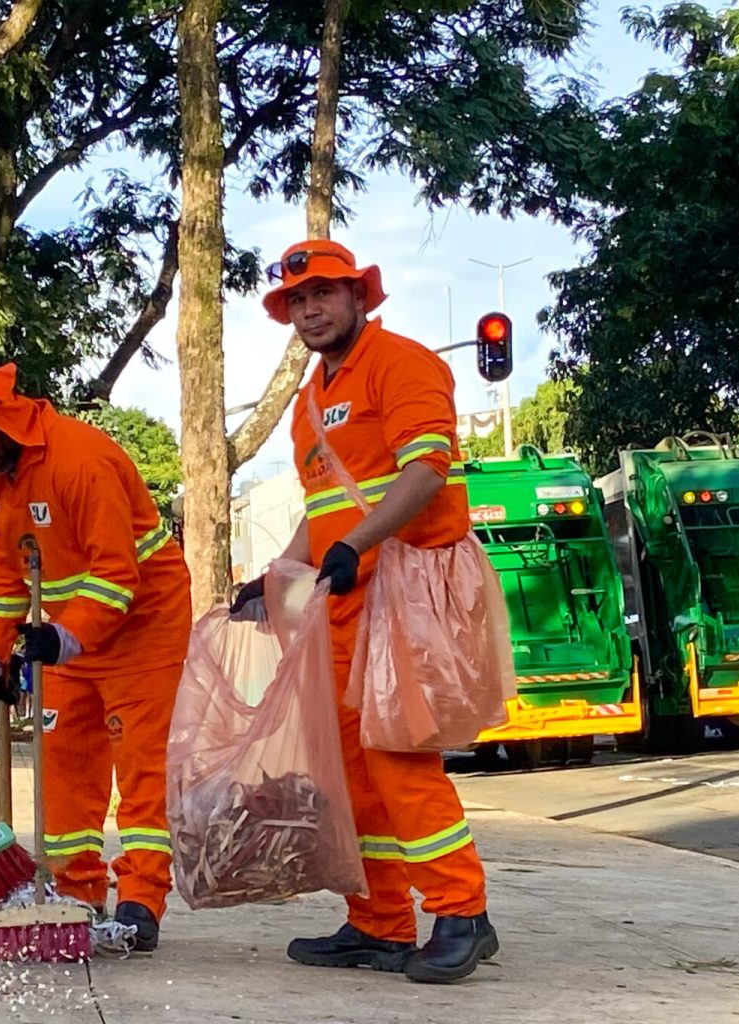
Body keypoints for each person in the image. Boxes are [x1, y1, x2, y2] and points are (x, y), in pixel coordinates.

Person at [230, 240, 497, 984]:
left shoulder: (403, 363)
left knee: (398, 755)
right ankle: (380, 923)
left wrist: (354, 546)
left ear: (357, 296)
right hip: (350, 598)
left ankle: (460, 910)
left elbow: (426, 471)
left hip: (407, 588)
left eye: (322, 294)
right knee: (350, 768)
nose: (309, 311)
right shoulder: (312, 396)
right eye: (296, 302)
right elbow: (323, 508)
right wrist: (278, 574)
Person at [0, 355, 192, 952]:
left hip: (145, 626)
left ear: (2, 414)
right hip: (69, 637)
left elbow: (117, 574)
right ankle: (78, 895)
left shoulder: (81, 460)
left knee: (142, 769)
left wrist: (62, 637)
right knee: (62, 761)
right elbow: (5, 577)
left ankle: (141, 899)